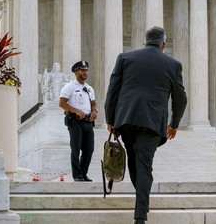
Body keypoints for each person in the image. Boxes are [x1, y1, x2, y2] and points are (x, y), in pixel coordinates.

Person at [105, 26, 187, 224]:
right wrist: (174, 124)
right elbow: (180, 99)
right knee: (144, 166)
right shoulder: (173, 64)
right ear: (163, 45)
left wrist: (110, 119)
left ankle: (142, 204)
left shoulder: (125, 58)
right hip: (152, 121)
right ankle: (140, 215)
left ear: (144, 42)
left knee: (134, 161)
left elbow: (112, 91)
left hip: (127, 119)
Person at [59, 60, 98, 182]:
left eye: (86, 70)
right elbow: (62, 103)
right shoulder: (69, 87)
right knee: (75, 148)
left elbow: (93, 103)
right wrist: (76, 111)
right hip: (75, 122)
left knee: (89, 149)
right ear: (76, 72)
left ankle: (83, 173)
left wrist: (95, 110)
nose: (85, 72)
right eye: (82, 70)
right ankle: (77, 175)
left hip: (87, 122)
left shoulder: (89, 88)